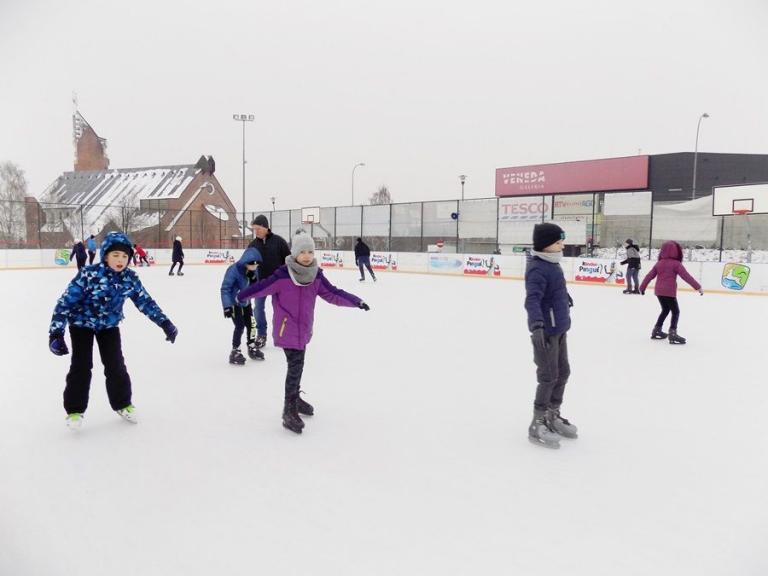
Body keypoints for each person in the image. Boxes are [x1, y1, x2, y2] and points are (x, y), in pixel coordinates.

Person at [237, 230, 369, 434]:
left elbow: (333, 294)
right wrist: (242, 296)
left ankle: (295, 399)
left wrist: (356, 301)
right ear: (294, 253)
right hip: (287, 330)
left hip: (304, 331)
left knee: (297, 366)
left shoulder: (316, 276)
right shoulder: (282, 275)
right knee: (295, 366)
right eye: (302, 251)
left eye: (310, 251)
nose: (307, 255)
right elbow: (262, 287)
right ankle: (288, 409)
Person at [48, 232, 178, 430]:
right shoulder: (89, 274)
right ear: (106, 255)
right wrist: (56, 333)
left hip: (109, 326)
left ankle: (123, 404)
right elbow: (65, 303)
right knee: (82, 366)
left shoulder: (129, 279)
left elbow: (145, 302)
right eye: (116, 255)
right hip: (81, 325)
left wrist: (165, 323)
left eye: (125, 256)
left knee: (116, 365)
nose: (120, 260)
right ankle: (75, 411)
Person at [524, 223, 577, 449]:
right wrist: (537, 326)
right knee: (548, 376)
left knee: (563, 372)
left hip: (560, 328)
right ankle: (537, 422)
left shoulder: (553, 264)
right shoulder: (538, 268)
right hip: (545, 331)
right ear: (546, 245)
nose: (562, 245)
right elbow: (533, 299)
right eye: (558, 242)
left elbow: (555, 289)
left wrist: (565, 296)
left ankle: (553, 414)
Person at [639, 240, 703, 345]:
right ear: (676, 251)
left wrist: (642, 287)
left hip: (659, 291)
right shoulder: (676, 264)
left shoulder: (659, 263)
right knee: (675, 311)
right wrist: (698, 287)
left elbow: (649, 276)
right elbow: (686, 277)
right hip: (669, 292)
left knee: (665, 310)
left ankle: (656, 330)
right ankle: (672, 333)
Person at [247, 215, 291, 348]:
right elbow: (247, 264)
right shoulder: (252, 245)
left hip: (278, 283)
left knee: (280, 309)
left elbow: (288, 261)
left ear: (266, 227)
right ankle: (261, 334)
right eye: (254, 229)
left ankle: (283, 335)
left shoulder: (279, 242)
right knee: (258, 308)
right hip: (261, 283)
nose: (256, 232)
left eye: (258, 228)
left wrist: (287, 279)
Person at [220, 247, 265, 364]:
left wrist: (254, 280)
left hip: (246, 302)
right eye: (253, 265)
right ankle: (235, 350)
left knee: (252, 324)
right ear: (246, 262)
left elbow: (256, 287)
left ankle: (251, 346)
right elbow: (225, 289)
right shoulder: (233, 270)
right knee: (240, 326)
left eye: (257, 265)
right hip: (234, 303)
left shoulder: (253, 271)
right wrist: (227, 306)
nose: (255, 267)